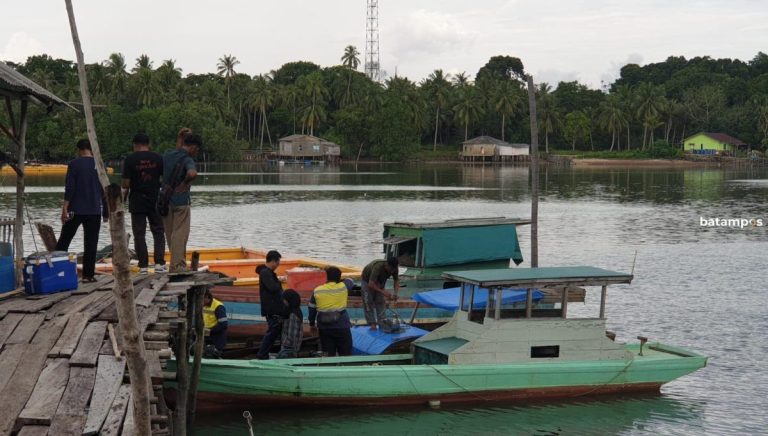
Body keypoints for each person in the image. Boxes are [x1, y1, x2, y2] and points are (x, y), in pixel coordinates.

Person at [55, 139, 108, 283]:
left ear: (79, 150)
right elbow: (105, 190)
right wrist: (106, 212)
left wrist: (65, 207)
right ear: (92, 149)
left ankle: (55, 270)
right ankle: (88, 275)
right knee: (91, 243)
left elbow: (70, 188)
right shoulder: (100, 165)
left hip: (75, 210)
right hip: (94, 210)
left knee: (64, 241)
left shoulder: (74, 164)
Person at [121, 133, 165, 274]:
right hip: (155, 199)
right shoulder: (158, 158)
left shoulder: (130, 159)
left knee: (139, 233)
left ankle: (144, 265)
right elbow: (164, 179)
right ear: (148, 144)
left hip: (137, 199)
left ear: (135, 144)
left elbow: (126, 184)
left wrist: (123, 200)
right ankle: (159, 263)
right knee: (158, 230)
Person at [162, 133, 200, 272]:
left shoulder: (167, 155)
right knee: (180, 234)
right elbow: (192, 173)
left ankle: (175, 264)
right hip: (181, 201)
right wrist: (184, 183)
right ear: (193, 147)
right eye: (197, 149)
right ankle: (178, 266)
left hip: (165, 201)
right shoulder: (188, 159)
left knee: (170, 234)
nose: (197, 152)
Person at [308, 266, 353, 356]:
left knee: (328, 354)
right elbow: (350, 280)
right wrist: (340, 280)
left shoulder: (317, 290)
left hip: (324, 328)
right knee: (346, 354)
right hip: (342, 326)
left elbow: (312, 309)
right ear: (339, 278)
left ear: (327, 277)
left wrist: (312, 324)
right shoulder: (343, 287)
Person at [256, 250, 284, 359]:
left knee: (274, 331)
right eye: (277, 263)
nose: (277, 266)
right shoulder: (265, 273)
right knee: (272, 332)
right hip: (271, 309)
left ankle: (265, 353)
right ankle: (262, 354)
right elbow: (272, 287)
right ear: (273, 261)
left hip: (275, 307)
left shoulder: (269, 273)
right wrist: (279, 282)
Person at [360, 257, 399, 330]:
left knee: (380, 302)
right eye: (390, 270)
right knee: (368, 302)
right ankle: (372, 323)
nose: (391, 272)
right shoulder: (377, 267)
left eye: (393, 270)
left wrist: (395, 293)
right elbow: (371, 284)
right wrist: (383, 292)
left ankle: (382, 323)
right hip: (367, 280)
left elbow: (396, 281)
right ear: (387, 265)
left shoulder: (395, 268)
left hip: (381, 281)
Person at [278, 289, 303, 358]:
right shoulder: (292, 310)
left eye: (284, 299)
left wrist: (285, 348)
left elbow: (292, 335)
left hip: (289, 350)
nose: (283, 301)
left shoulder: (293, 314)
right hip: (288, 349)